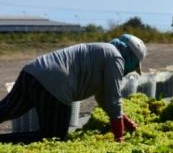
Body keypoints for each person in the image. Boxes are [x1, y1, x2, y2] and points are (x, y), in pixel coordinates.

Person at [0, 33, 147, 144]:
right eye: (134, 66)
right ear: (131, 58)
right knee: (52, 137)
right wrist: (119, 138)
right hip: (56, 82)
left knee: (8, 109)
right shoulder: (116, 58)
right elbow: (114, 100)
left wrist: (127, 123)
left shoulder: (104, 51)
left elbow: (104, 98)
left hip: (33, 71)